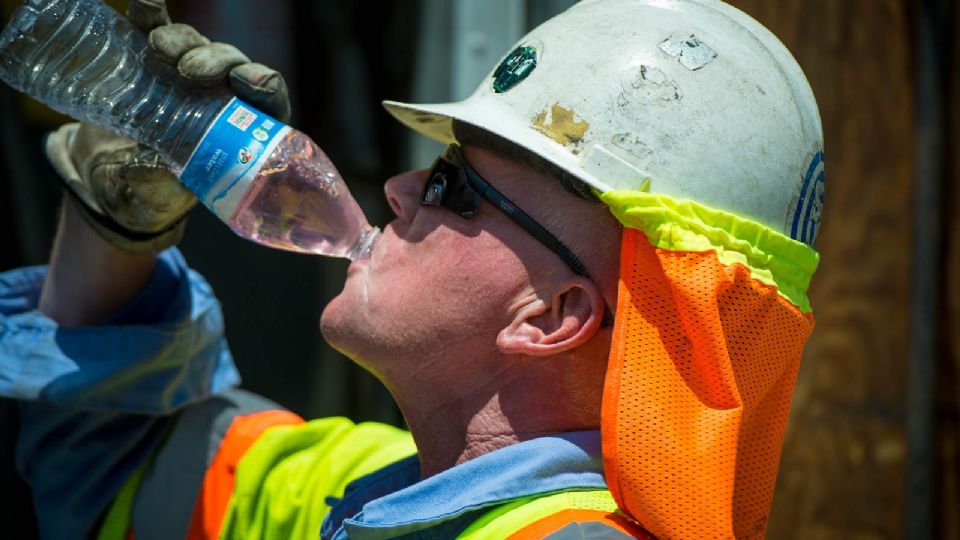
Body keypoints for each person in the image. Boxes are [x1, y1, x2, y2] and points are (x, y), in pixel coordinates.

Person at [0, 0, 824, 538]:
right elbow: (105, 473)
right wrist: (117, 223)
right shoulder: (368, 490)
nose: (396, 188)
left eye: (450, 185)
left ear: (551, 313)